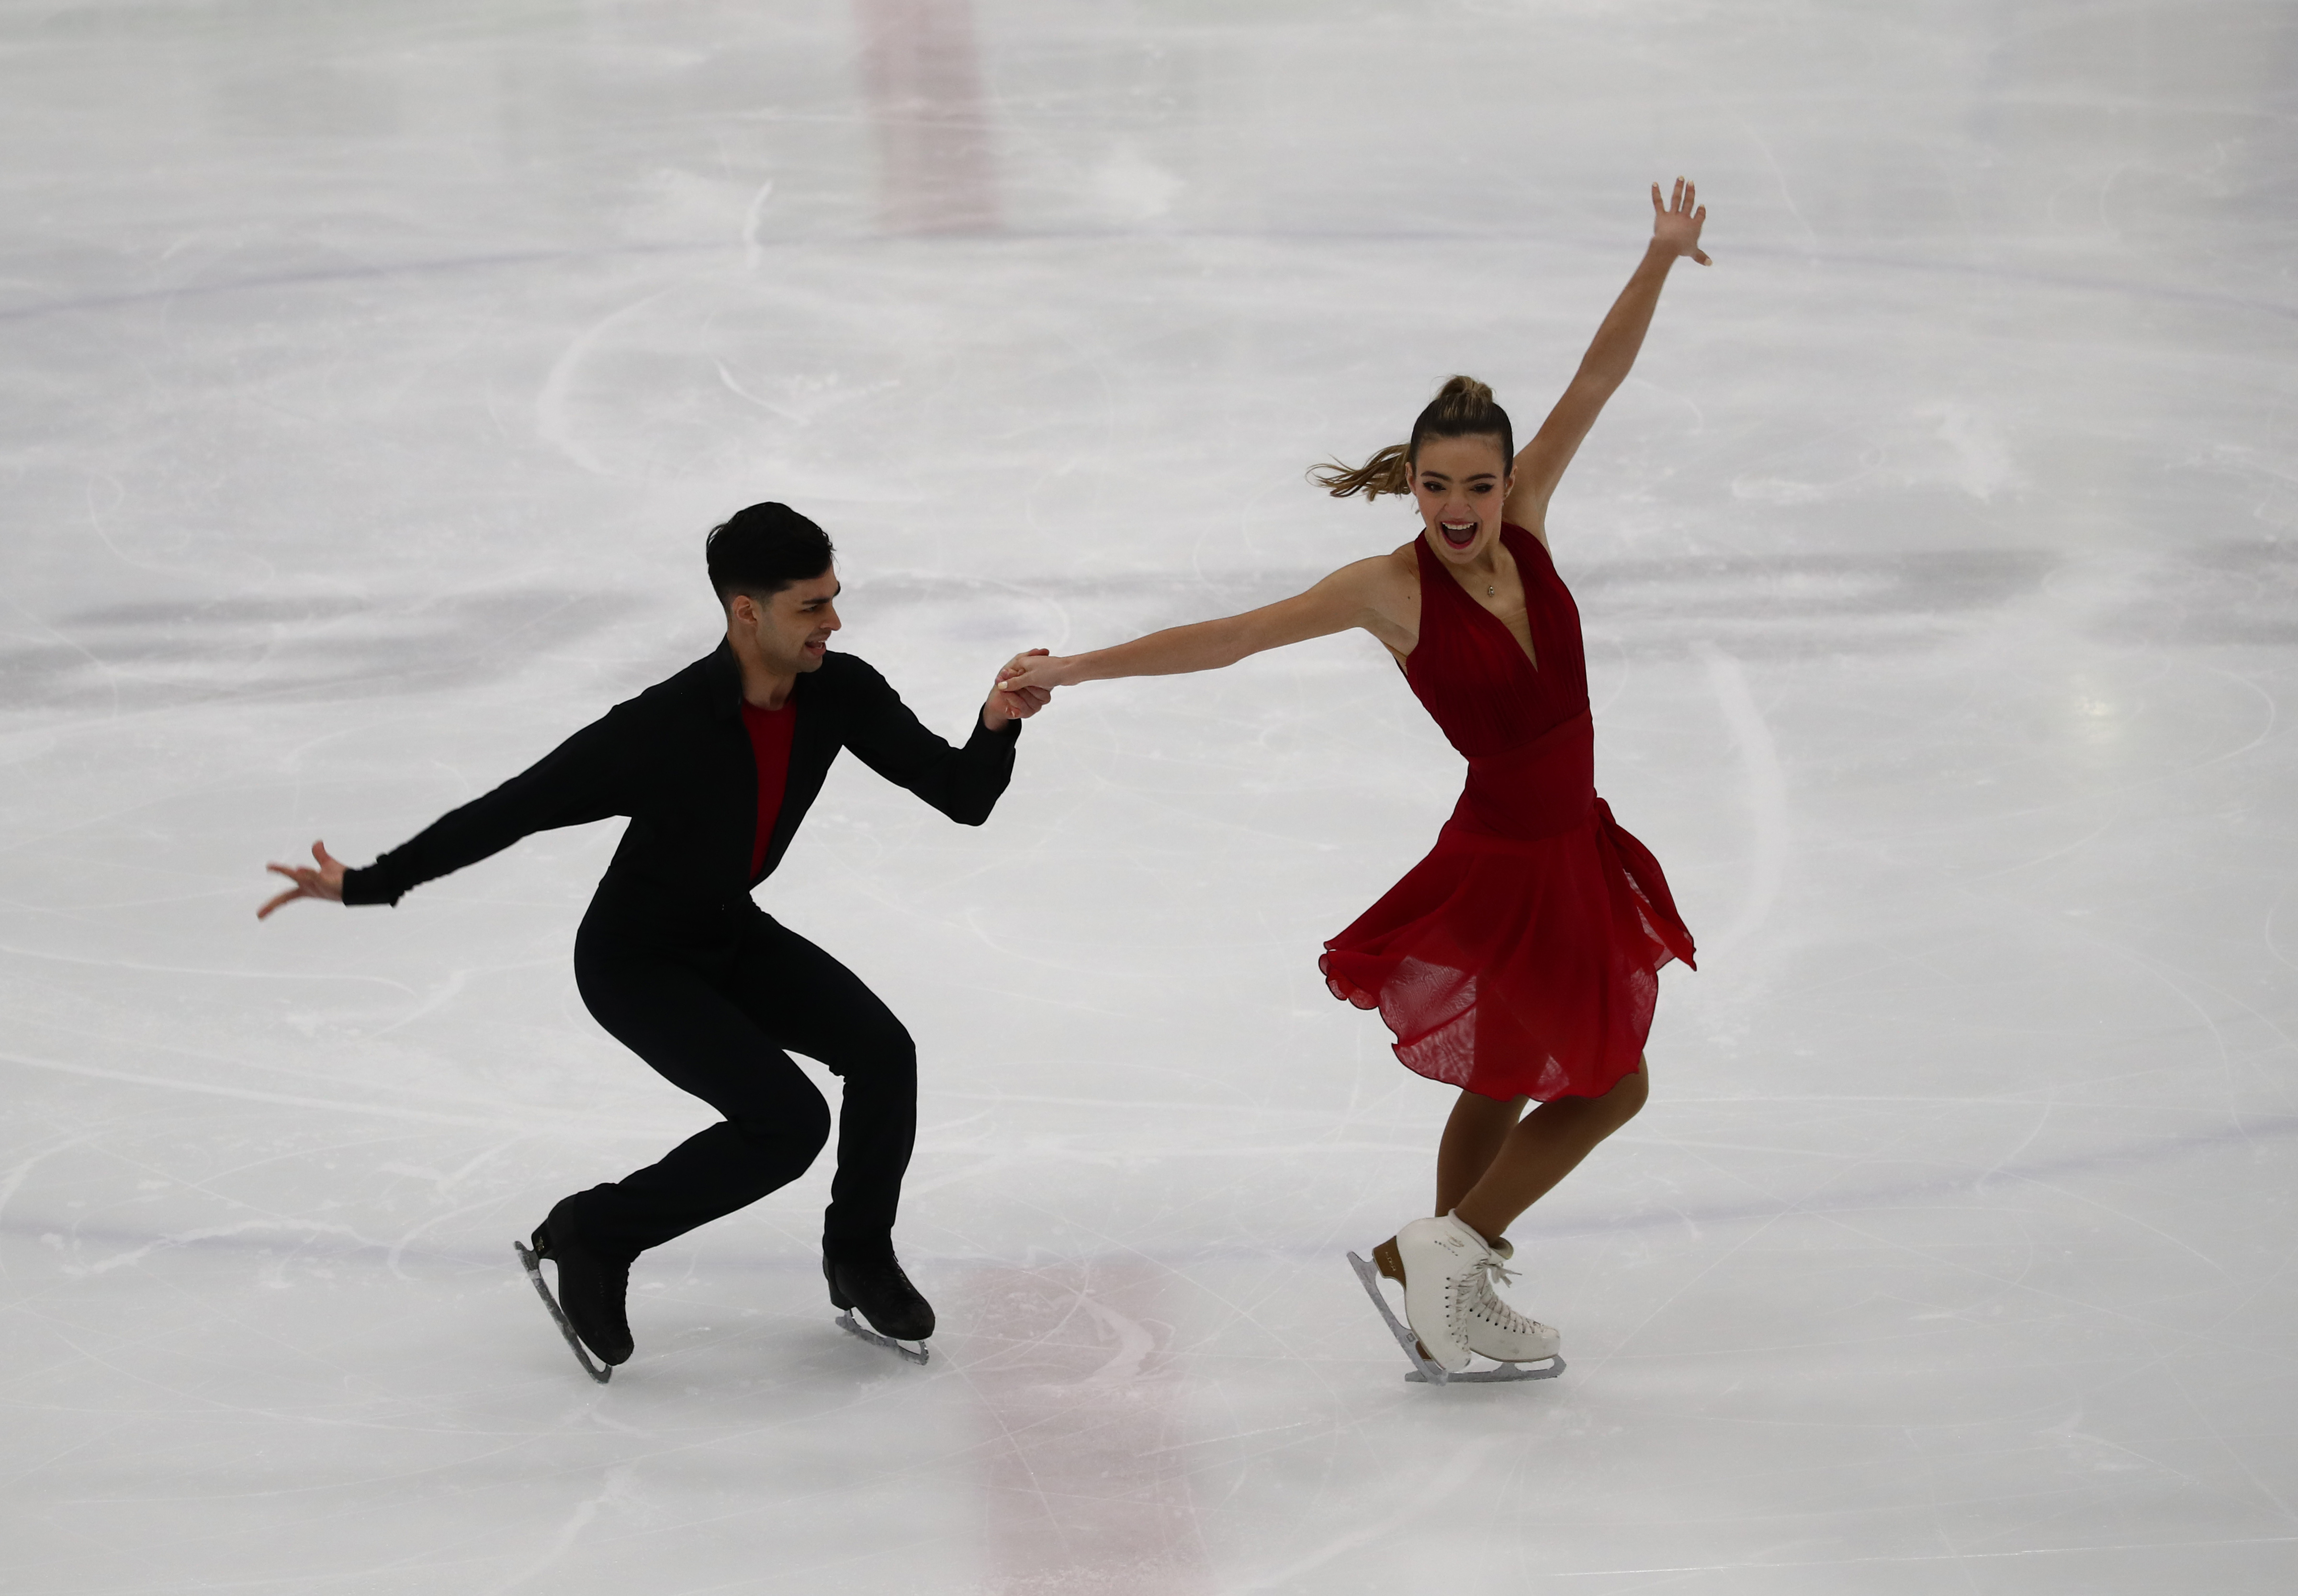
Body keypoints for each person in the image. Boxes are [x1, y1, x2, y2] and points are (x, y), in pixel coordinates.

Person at [998, 181, 1710, 1373]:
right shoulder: (1388, 589)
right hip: (1507, 857)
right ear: (1412, 482)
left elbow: (1595, 380)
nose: (1460, 508)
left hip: (1568, 839)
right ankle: (1451, 1247)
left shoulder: (1528, 517)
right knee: (1614, 1085)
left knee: (1499, 1070)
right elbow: (1230, 635)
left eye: (1478, 484)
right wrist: (1070, 670)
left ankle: (1442, 1287)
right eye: (1438, 486)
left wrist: (1655, 258)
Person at [259, 503, 1049, 1371]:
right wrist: (368, 883)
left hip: (727, 932)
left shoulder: (840, 692)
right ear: (746, 611)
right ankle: (593, 1232)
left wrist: (995, 723)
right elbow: (515, 807)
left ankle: (857, 1255)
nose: (833, 620)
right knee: (785, 1122)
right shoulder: (665, 726)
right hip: (635, 960)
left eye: (833, 598)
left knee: (882, 1052)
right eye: (810, 605)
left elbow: (959, 793)